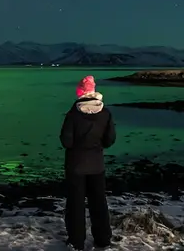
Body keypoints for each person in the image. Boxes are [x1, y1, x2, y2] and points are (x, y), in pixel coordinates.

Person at [60, 75, 117, 250]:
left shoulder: (73, 114)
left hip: (76, 165)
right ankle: (103, 239)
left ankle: (76, 241)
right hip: (97, 165)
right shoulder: (105, 113)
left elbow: (66, 141)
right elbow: (110, 139)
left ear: (80, 92)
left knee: (75, 205)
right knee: (99, 202)